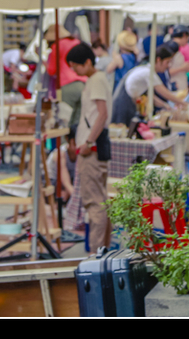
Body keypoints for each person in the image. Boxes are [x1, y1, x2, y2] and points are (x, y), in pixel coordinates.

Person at [65, 42, 113, 252]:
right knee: (100, 202)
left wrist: (88, 143)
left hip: (91, 150)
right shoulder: (98, 79)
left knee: (94, 204)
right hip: (94, 148)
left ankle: (96, 254)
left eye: (76, 66)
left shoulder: (96, 80)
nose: (74, 70)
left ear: (87, 62)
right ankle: (102, 250)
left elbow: (102, 114)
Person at [111, 45, 187, 125]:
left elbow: (150, 96)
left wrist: (165, 105)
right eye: (167, 62)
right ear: (158, 60)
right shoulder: (148, 73)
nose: (168, 66)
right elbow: (165, 93)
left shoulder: (146, 69)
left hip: (127, 103)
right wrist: (184, 104)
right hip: (123, 105)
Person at [45, 25, 87, 130]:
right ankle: (76, 144)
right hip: (83, 83)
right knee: (78, 121)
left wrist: (42, 61)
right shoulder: (76, 42)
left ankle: (65, 145)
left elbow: (51, 70)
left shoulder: (57, 46)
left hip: (67, 85)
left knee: (64, 120)